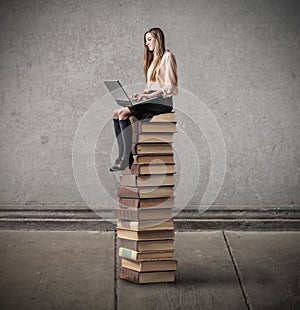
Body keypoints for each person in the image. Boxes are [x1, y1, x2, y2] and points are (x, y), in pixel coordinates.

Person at [110, 27, 178, 171]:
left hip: (162, 102)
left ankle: (125, 158)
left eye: (149, 39)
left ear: (157, 39)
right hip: (152, 99)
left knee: (123, 113)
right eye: (145, 40)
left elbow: (171, 88)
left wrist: (148, 96)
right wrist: (141, 94)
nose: (146, 43)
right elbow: (151, 87)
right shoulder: (153, 60)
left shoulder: (168, 57)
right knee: (116, 112)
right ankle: (122, 155)